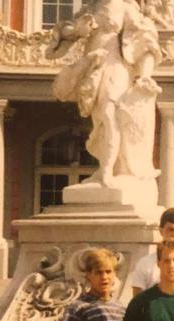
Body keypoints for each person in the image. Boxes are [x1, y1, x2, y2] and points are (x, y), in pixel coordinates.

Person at [48, 0, 162, 189]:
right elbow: (66, 33)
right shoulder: (91, 8)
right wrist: (78, 30)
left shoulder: (127, 8)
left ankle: (107, 172)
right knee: (100, 119)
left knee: (110, 115)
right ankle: (106, 168)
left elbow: (146, 41)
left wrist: (145, 75)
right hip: (93, 67)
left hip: (114, 65)